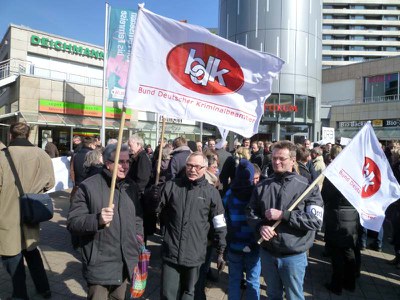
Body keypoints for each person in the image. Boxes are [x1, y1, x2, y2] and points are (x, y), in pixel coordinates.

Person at [247, 140, 323, 300]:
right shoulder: (262, 185)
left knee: (294, 296)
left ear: (293, 160)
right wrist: (260, 226)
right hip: (268, 253)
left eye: (282, 158)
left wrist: (284, 215)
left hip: (293, 256)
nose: (276, 162)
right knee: (273, 294)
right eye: (274, 158)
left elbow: (315, 221)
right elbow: (251, 213)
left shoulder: (308, 187)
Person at [146, 152, 227, 299]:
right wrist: (152, 198)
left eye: (197, 166)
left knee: (189, 293)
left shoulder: (211, 193)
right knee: (167, 294)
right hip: (172, 251)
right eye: (189, 165)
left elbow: (219, 222)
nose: (193, 169)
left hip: (195, 254)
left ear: (205, 168)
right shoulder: (171, 186)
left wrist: (221, 249)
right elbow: (154, 210)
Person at [67, 144, 143, 300]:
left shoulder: (131, 187)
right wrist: (97, 219)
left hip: (124, 263)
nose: (125, 166)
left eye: (127, 161)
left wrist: (138, 239)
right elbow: (73, 222)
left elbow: (137, 217)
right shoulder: (88, 187)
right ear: (107, 163)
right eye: (120, 162)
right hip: (100, 263)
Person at [0, 122, 55, 300]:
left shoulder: (2, 156)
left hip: (6, 212)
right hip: (32, 211)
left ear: (10, 135)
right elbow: (50, 183)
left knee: (11, 254)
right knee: (31, 250)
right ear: (29, 135)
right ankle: (44, 289)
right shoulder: (42, 154)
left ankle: (20, 295)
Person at [321, 145, 359, 295]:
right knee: (349, 250)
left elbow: (325, 196)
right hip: (352, 217)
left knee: (337, 253)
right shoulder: (355, 174)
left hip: (337, 217)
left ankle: (336, 285)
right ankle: (350, 283)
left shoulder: (335, 174)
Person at [223, 159, 261, 300]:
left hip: (234, 243)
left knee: (234, 280)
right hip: (254, 243)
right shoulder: (257, 193)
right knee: (253, 280)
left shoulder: (229, 194)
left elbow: (223, 215)